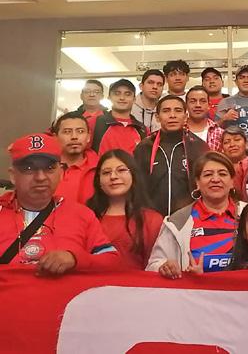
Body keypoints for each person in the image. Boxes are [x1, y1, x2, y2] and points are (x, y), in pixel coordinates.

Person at [0, 133, 119, 274]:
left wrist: (75, 259)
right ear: (13, 176)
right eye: (29, 169)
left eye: (49, 168)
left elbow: (112, 261)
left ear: (61, 173)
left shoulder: (81, 214)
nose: (41, 177)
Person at [147, 151, 241, 277]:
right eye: (208, 174)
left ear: (232, 182)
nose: (215, 179)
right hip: (192, 289)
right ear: (197, 182)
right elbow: (153, 265)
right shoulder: (177, 222)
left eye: (222, 174)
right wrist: (164, 267)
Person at [87, 149, 163, 270]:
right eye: (106, 172)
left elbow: (156, 265)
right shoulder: (86, 216)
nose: (113, 176)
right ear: (98, 180)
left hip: (139, 282)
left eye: (121, 170)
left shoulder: (152, 219)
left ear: (133, 175)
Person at [134, 95, 209, 216]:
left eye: (178, 111)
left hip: (190, 218)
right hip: (152, 218)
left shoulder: (199, 147)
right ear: (157, 117)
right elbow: (137, 187)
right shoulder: (144, 147)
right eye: (166, 111)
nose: (172, 115)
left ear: (185, 116)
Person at [91, 79, 147, 156]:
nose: (122, 98)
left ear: (134, 99)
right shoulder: (94, 123)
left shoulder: (142, 129)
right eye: (117, 93)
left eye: (127, 94)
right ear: (109, 97)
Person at [53, 112, 98, 205]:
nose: (74, 137)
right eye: (67, 132)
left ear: (88, 136)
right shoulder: (44, 168)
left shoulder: (100, 169)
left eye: (80, 131)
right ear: (55, 137)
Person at [185, 86, 224, 152]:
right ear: (186, 105)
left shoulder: (220, 133)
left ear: (209, 105)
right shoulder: (178, 131)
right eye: (193, 101)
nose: (198, 105)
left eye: (203, 101)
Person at [131, 69, 164, 133]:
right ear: (141, 86)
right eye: (150, 82)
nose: (155, 87)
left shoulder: (164, 110)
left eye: (159, 84)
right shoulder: (129, 108)